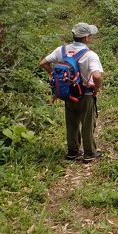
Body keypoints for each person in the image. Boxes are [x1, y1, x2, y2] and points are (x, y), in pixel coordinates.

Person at [40, 22, 104, 162]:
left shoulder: (61, 50)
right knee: (87, 123)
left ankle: (72, 152)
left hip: (68, 93)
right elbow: (97, 76)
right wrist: (97, 88)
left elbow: (43, 62)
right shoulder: (90, 55)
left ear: (74, 35)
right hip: (85, 94)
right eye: (90, 35)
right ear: (86, 38)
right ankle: (89, 153)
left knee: (71, 122)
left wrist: (52, 73)